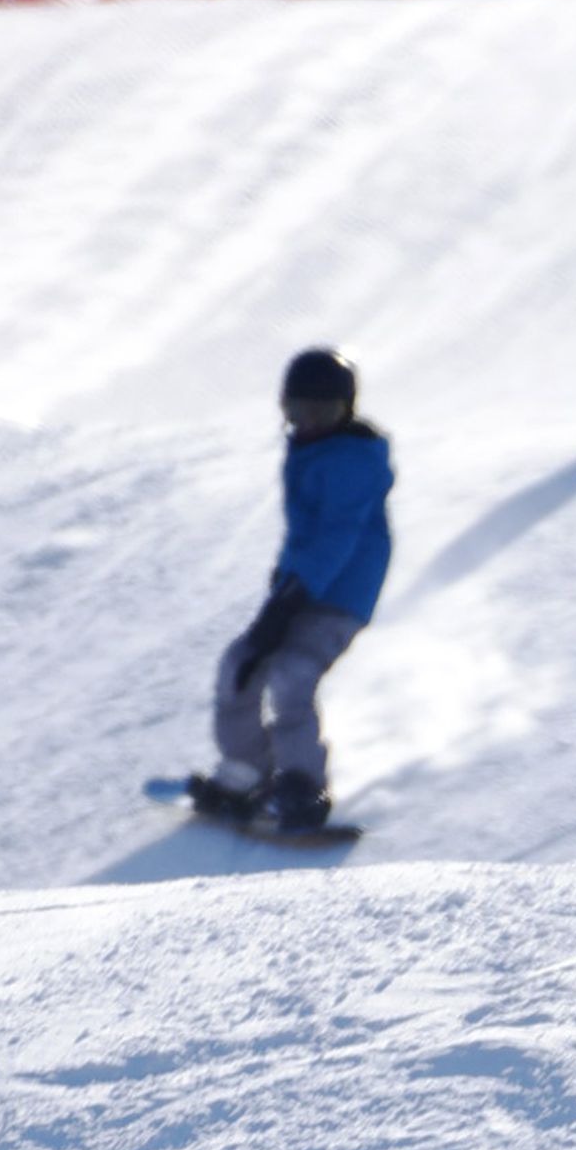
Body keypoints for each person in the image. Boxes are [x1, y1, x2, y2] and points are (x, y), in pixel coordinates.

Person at [185, 348, 394, 835]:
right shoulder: (307, 450)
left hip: (341, 595)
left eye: (324, 412)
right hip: (301, 587)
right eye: (299, 411)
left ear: (346, 410)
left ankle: (302, 785)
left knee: (292, 673)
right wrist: (285, 585)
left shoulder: (351, 461)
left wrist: (294, 593)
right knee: (240, 664)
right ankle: (246, 769)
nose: (310, 422)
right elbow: (304, 533)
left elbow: (337, 536)